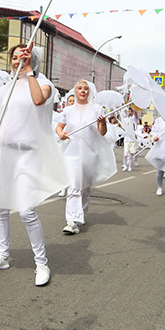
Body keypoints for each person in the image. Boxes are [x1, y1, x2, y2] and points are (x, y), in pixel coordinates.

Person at [0, 44, 67, 287]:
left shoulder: (43, 83)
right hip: (3, 153)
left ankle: (41, 263)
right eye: (15, 56)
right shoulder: (5, 89)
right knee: (0, 207)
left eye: (24, 55)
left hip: (28, 154)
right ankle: (3, 256)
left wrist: (29, 70)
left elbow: (38, 100)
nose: (18, 59)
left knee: (26, 209)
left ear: (34, 59)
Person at [56, 80, 114, 235]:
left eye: (85, 89)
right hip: (71, 152)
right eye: (79, 88)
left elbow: (102, 132)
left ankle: (81, 213)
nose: (82, 91)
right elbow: (59, 127)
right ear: (74, 91)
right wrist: (61, 134)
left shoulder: (96, 109)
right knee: (74, 185)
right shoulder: (68, 110)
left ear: (89, 92)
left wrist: (102, 123)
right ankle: (72, 220)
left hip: (89, 153)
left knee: (85, 187)